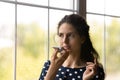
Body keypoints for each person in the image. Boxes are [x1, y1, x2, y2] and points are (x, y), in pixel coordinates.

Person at [39, 14, 105, 80]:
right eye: (61, 35)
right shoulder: (49, 65)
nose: (64, 41)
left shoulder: (93, 71)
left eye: (70, 35)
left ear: (82, 38)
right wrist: (52, 69)